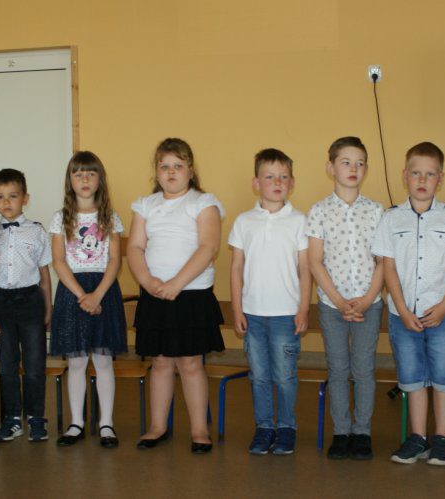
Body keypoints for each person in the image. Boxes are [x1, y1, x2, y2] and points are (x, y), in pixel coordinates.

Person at [372, 142, 445, 466]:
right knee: (412, 378)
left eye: (430, 174)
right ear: (405, 176)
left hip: (442, 313)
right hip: (403, 315)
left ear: (440, 178)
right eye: (416, 173)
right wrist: (400, 308)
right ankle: (417, 437)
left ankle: (442, 438)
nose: (422, 180)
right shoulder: (391, 218)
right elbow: (388, 267)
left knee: (443, 378)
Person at [128, 138, 224, 454]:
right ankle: (158, 426)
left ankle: (199, 429)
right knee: (160, 362)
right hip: (155, 293)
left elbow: (208, 247)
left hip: (191, 294)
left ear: (190, 171)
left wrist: (177, 283)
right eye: (164, 166)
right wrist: (147, 280)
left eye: (178, 166)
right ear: (156, 172)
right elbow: (135, 247)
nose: (171, 172)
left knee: (190, 363)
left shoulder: (203, 202)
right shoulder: (146, 205)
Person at [306, 137, 384, 460]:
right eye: (346, 162)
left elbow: (383, 262)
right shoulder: (319, 211)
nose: (354, 168)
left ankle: (362, 431)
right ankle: (341, 432)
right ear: (331, 168)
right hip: (332, 306)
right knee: (338, 369)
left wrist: (367, 299)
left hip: (369, 304)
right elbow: (315, 261)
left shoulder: (376, 211)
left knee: (363, 369)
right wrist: (339, 301)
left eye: (360, 163)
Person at [229, 148, 310, 455]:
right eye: (270, 177)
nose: (277, 182)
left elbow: (305, 269)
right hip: (252, 314)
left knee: (285, 377)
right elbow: (236, 267)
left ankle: (287, 428)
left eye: (283, 177)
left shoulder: (299, 221)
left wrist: (303, 309)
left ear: (292, 183)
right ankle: (264, 427)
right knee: (259, 376)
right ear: (256, 183)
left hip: (286, 315)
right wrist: (237, 308)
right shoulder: (244, 221)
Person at [49, 151, 127, 448]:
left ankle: (106, 423)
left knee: (103, 361)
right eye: (78, 173)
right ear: (69, 180)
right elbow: (59, 261)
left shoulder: (110, 217)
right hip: (73, 291)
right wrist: (83, 296)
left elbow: (115, 260)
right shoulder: (61, 218)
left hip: (103, 290)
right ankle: (76, 423)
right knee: (78, 361)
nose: (84, 179)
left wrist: (97, 295)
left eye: (90, 174)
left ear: (99, 180)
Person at [0, 169, 53, 442]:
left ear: (25, 198)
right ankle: (12, 418)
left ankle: (36, 417)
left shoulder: (37, 231)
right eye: (0, 196)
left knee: (35, 363)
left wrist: (48, 308)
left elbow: (45, 274)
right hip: (0, 302)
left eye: (13, 196)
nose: (6, 202)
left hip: (30, 301)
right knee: (7, 364)